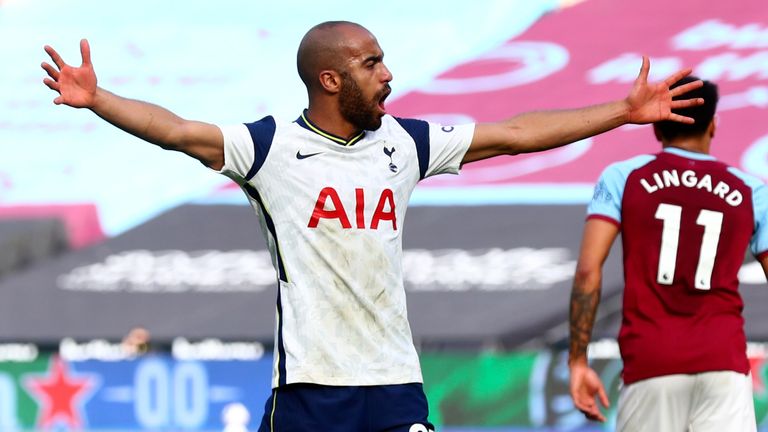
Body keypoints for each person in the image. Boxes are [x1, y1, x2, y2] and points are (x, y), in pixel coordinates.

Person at [42, 21, 703, 432]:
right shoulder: (269, 148)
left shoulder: (406, 143)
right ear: (330, 78)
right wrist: (99, 99)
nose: (388, 75)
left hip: (394, 384)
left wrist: (621, 111)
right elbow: (179, 132)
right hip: (309, 390)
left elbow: (514, 135)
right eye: (371, 63)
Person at [568, 77, 768, 431]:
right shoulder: (752, 191)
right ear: (714, 125)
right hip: (724, 364)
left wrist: (578, 360)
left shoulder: (622, 177)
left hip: (651, 363)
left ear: (657, 127)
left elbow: (587, 271)